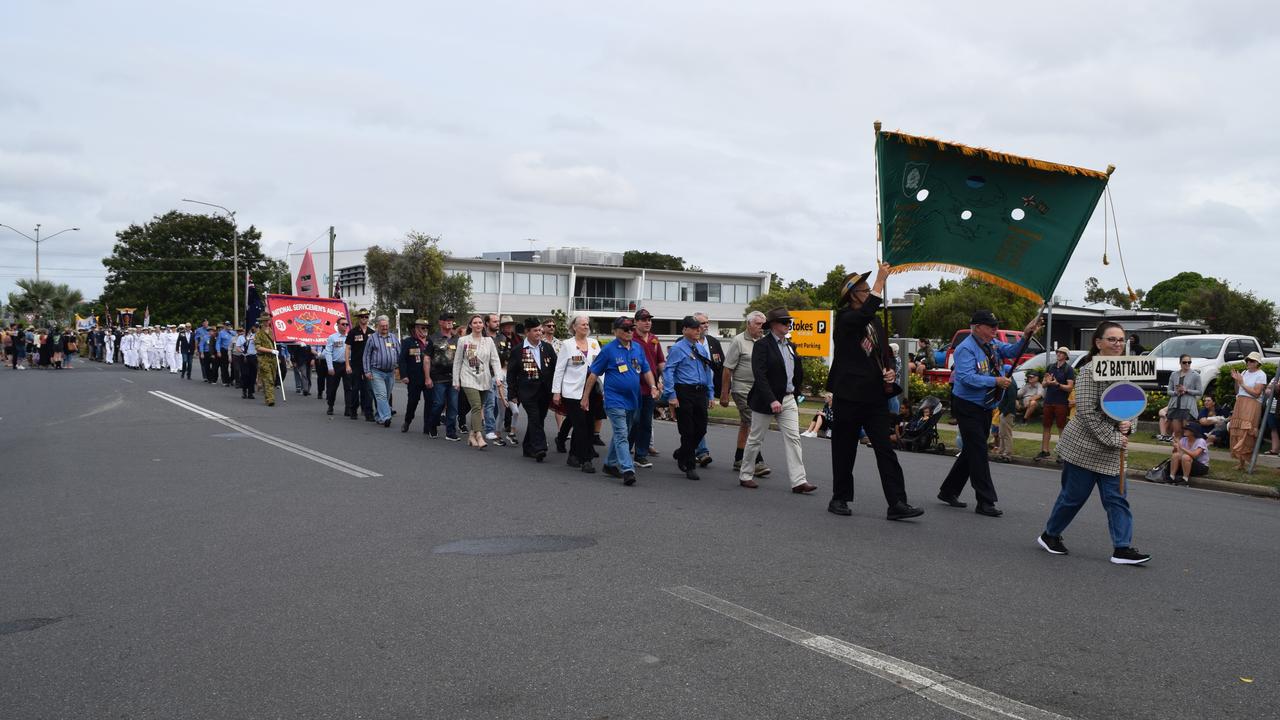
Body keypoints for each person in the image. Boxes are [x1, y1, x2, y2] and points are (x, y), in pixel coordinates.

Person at [1037, 321, 1150, 565]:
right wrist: (1113, 438)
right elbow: (1086, 412)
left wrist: (1129, 425)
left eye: (1121, 339)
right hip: (1083, 449)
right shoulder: (1089, 371)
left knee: (1117, 498)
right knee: (1072, 498)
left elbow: (1134, 403)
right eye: (1112, 339)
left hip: (1113, 451)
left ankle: (1122, 548)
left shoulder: (1129, 371)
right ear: (1098, 343)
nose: (1118, 344)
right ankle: (1050, 535)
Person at [825, 263, 924, 521]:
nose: (869, 293)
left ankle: (897, 503)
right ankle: (840, 498)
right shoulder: (847, 319)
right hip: (848, 395)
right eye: (864, 290)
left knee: (885, 449)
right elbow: (866, 312)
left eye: (870, 289)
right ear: (852, 295)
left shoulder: (875, 323)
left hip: (874, 397)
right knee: (844, 449)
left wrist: (890, 371)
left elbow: (883, 354)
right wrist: (881, 279)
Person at [937, 308, 1043, 517]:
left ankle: (948, 491)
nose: (995, 329)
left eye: (996, 325)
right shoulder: (965, 348)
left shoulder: (991, 344)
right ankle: (985, 501)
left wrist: (1027, 333)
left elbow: (1012, 352)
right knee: (978, 451)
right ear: (977, 328)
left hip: (985, 405)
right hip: (967, 405)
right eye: (991, 326)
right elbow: (966, 378)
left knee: (971, 451)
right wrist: (995, 381)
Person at [738, 307, 817, 494]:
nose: (788, 324)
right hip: (766, 400)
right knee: (756, 439)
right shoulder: (762, 345)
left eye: (789, 321)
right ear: (773, 325)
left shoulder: (790, 345)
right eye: (784, 322)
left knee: (794, 438)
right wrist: (772, 399)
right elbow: (760, 375)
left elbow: (796, 372)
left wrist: (796, 393)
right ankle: (745, 474)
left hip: (788, 399)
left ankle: (799, 481)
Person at [586, 316, 655, 485]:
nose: (629, 332)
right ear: (615, 331)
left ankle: (610, 464)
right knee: (621, 434)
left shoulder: (638, 348)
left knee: (623, 433)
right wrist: (585, 396)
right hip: (614, 400)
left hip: (633, 399)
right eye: (625, 329)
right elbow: (594, 373)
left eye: (631, 329)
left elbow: (646, 370)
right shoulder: (608, 350)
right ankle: (628, 469)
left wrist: (653, 386)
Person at [663, 316, 716, 481]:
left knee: (701, 428)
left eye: (698, 328)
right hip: (684, 391)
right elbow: (669, 371)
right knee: (687, 430)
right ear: (684, 330)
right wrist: (671, 395)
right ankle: (689, 464)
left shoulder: (700, 348)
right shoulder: (678, 348)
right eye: (693, 328)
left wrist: (710, 393)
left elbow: (708, 371)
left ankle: (682, 453)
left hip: (700, 392)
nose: (697, 331)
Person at [722, 310, 771, 477]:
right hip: (742, 388)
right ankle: (756, 461)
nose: (761, 327)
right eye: (758, 324)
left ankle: (739, 458)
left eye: (763, 325)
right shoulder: (738, 341)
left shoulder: (765, 342)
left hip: (759, 389)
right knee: (753, 422)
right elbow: (728, 368)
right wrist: (724, 393)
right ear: (749, 324)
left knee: (745, 423)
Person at [552, 314, 602, 472]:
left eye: (587, 324)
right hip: (572, 391)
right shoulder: (567, 345)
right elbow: (559, 369)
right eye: (582, 325)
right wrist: (556, 392)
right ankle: (586, 459)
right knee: (580, 425)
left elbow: (601, 367)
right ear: (574, 327)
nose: (586, 327)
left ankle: (573, 455)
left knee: (588, 423)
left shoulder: (594, 344)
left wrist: (604, 388)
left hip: (592, 389)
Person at [507, 316, 556, 461]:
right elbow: (511, 374)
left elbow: (555, 368)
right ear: (527, 332)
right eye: (535, 331)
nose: (539, 333)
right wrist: (512, 393)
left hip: (545, 391)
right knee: (534, 417)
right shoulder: (518, 350)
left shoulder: (547, 347)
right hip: (527, 392)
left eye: (540, 330)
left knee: (539, 419)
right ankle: (539, 447)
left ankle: (527, 447)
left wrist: (557, 389)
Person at [454, 314, 503, 448]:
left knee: (479, 407)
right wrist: (455, 381)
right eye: (474, 323)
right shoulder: (463, 340)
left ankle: (471, 436)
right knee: (476, 407)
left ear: (483, 325)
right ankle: (479, 436)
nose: (478, 325)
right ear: (470, 325)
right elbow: (457, 362)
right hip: (468, 377)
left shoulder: (489, 341)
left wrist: (499, 377)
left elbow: (495, 360)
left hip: (484, 378)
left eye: (480, 322)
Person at [629, 308, 666, 469]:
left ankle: (641, 454)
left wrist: (662, 380)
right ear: (635, 322)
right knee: (633, 421)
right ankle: (624, 450)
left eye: (649, 319)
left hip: (650, 388)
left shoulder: (654, 339)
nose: (647, 322)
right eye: (643, 319)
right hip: (635, 386)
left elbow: (660, 363)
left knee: (646, 422)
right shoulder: (631, 338)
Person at [691, 312, 725, 467]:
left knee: (700, 422)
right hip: (690, 389)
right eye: (702, 323)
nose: (706, 325)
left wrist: (721, 390)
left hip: (707, 387)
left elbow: (721, 366)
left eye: (707, 322)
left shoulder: (713, 342)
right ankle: (702, 451)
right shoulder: (684, 343)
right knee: (695, 421)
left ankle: (688, 448)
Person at [1229, 352, 1268, 470]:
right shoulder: (1244, 372)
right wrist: (1237, 381)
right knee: (1237, 430)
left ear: (1257, 363)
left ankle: (1251, 463)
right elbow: (1238, 391)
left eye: (1252, 361)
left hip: (1252, 404)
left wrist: (1242, 383)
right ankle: (1241, 463)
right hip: (1240, 402)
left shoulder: (1261, 374)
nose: (1249, 363)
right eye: (1248, 360)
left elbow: (1256, 393)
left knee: (1248, 432)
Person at [1036, 348, 1077, 461]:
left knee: (1061, 427)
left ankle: (1062, 453)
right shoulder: (1050, 367)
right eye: (1057, 352)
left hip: (1061, 402)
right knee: (1046, 426)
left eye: (1061, 353)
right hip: (1048, 401)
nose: (1058, 354)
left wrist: (1057, 384)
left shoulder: (1068, 369)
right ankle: (1045, 451)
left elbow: (1070, 388)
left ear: (1066, 356)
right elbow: (1043, 384)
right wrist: (1047, 382)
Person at [427, 313, 461, 441]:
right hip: (438, 377)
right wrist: (427, 377)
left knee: (453, 405)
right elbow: (426, 358)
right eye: (446, 320)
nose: (449, 322)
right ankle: (432, 425)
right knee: (439, 403)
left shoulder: (457, 339)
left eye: (451, 320)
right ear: (440, 322)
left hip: (454, 377)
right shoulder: (433, 338)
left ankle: (450, 432)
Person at [363, 315, 400, 428]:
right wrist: (367, 371)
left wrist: (400, 368)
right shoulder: (372, 338)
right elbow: (366, 355)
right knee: (381, 395)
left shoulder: (393, 338)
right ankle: (386, 417)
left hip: (390, 372)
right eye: (382, 326)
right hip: (376, 371)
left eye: (386, 326)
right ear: (378, 326)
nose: (385, 328)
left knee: (386, 396)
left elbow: (399, 353)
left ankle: (379, 416)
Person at [398, 318, 435, 432]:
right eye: (422, 328)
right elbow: (402, 360)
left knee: (430, 401)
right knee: (413, 401)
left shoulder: (431, 341)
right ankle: (407, 420)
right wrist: (404, 375)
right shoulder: (408, 341)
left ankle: (427, 426)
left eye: (426, 328)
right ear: (416, 329)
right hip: (414, 377)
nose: (425, 330)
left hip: (429, 377)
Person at [1163, 353, 1203, 443]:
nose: (1187, 364)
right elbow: (1168, 391)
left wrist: (1187, 390)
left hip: (1188, 407)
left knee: (1187, 432)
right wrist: (1176, 392)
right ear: (1180, 363)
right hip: (1175, 406)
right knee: (1177, 432)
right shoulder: (1174, 374)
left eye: (1189, 362)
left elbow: (1200, 391)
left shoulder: (1195, 375)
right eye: (1185, 362)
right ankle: (1177, 452)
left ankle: (1187, 451)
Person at [345, 310, 374, 421]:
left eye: (366, 316)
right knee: (355, 388)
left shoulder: (372, 332)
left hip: (369, 365)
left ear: (368, 318)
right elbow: (347, 348)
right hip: (356, 364)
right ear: (358, 318)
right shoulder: (353, 332)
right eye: (361, 317)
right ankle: (353, 410)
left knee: (368, 389)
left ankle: (368, 413)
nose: (364, 318)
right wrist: (347, 365)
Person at [494, 314, 518, 445]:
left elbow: (514, 382)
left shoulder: (517, 338)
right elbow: (499, 385)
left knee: (516, 412)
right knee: (501, 416)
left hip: (511, 395)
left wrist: (514, 395)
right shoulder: (500, 371)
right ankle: (497, 436)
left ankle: (512, 433)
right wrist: (503, 399)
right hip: (501, 396)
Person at [322, 318, 352, 417]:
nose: (345, 326)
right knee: (332, 387)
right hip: (336, 365)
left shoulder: (350, 337)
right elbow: (328, 352)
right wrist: (330, 367)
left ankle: (348, 408)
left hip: (347, 364)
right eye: (343, 324)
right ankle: (330, 405)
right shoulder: (332, 337)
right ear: (338, 325)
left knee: (348, 388)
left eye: (346, 324)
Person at [993, 374, 1018, 463]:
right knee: (1002, 433)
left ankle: (1007, 454)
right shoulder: (1008, 384)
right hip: (1003, 412)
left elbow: (1011, 401)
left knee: (1007, 434)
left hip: (1007, 413)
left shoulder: (1011, 385)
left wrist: (1005, 412)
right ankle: (1001, 451)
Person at [254, 314, 278, 406]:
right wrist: (271, 350)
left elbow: (281, 340)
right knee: (268, 379)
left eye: (268, 320)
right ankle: (270, 399)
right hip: (264, 358)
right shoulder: (259, 333)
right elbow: (258, 347)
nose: (266, 322)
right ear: (262, 322)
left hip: (273, 358)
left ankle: (266, 391)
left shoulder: (274, 332)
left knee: (273, 378)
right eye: (264, 320)